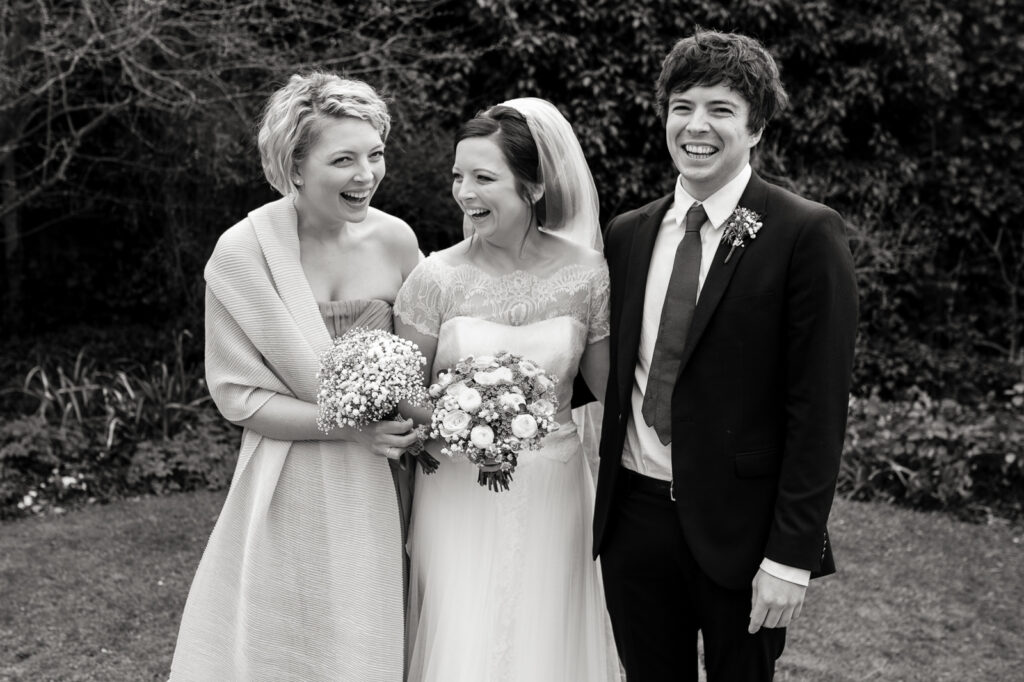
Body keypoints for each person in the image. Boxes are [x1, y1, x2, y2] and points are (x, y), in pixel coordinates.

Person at [593, 29, 859, 681]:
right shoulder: (628, 234)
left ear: (757, 126)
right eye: (682, 106)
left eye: (720, 110)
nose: (696, 126)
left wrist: (791, 556)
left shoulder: (804, 233)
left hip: (745, 533)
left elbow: (818, 408)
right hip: (633, 519)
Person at [169, 72, 421, 681]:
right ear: (295, 167)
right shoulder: (242, 254)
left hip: (393, 474)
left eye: (375, 154)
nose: (366, 175)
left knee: (383, 631)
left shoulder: (397, 241)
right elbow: (239, 399)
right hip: (291, 480)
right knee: (295, 640)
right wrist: (346, 427)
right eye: (343, 160)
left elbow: (423, 364)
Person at [393, 98, 620, 681]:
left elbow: (612, 393)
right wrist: (465, 425)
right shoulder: (435, 277)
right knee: (464, 634)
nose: (464, 192)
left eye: (483, 178)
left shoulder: (588, 275)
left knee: (549, 640)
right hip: (459, 490)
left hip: (557, 488)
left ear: (534, 186)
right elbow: (405, 395)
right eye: (457, 176)